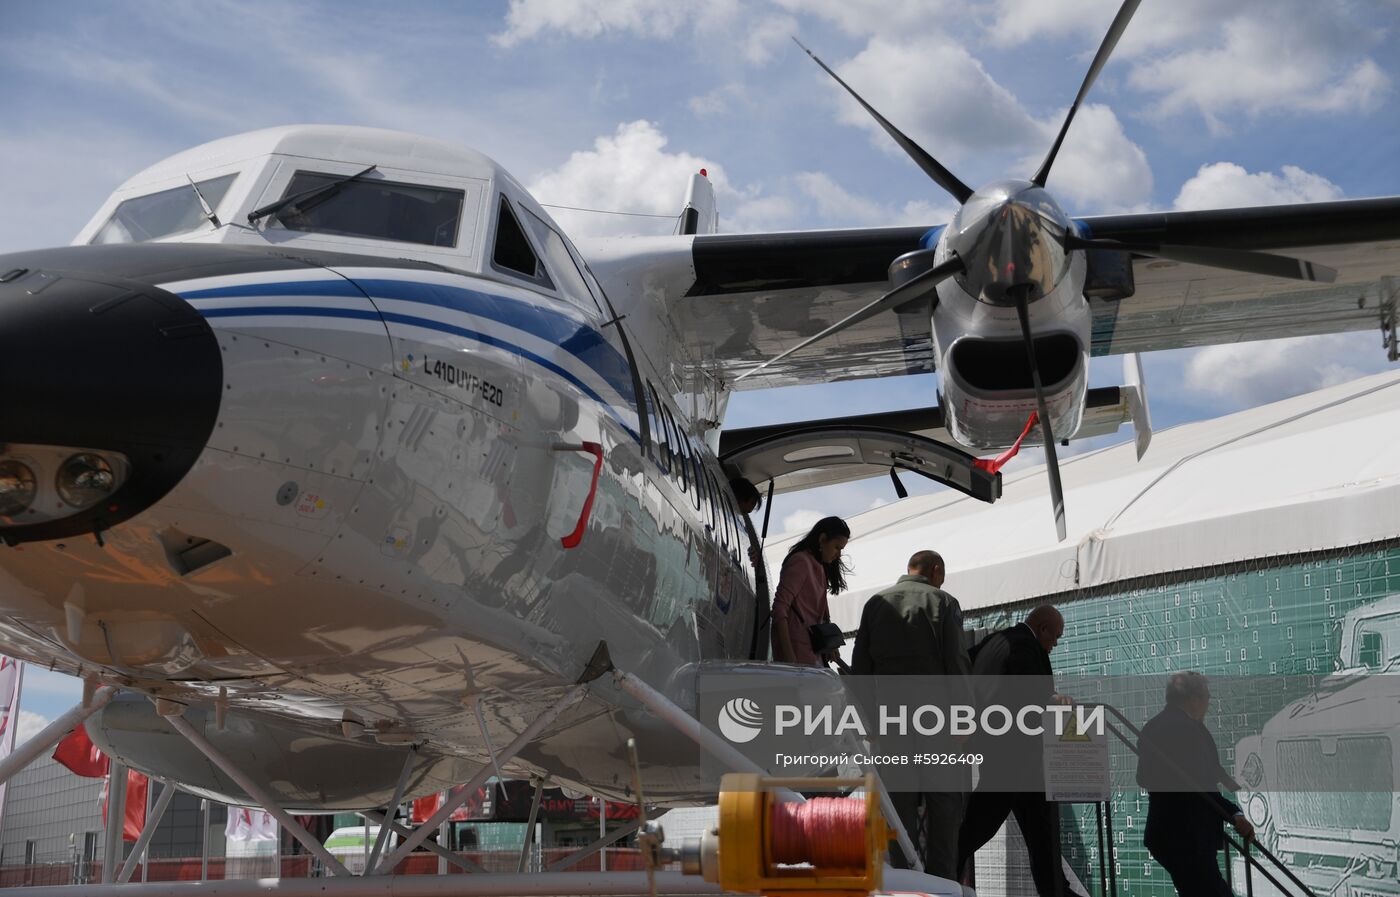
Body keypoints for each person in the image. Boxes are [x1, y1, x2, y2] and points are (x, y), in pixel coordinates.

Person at [851, 549, 971, 879]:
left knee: (897, 807)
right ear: (935, 570)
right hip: (938, 722)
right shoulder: (944, 603)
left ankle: (903, 882)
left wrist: (868, 722)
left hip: (891, 721)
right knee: (944, 804)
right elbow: (956, 663)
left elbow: (861, 669)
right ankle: (942, 883)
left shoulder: (875, 604)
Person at [958, 605, 1077, 897]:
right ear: (1042, 628)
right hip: (1014, 755)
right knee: (982, 822)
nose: (1056, 644)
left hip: (1000, 749)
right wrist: (1051, 698)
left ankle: (1056, 889)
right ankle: (943, 869)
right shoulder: (1023, 646)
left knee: (1040, 828)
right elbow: (1025, 691)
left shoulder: (993, 642)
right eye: (1056, 636)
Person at [1137, 672, 1253, 897]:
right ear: (1194, 699)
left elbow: (1141, 778)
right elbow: (1202, 786)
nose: (1208, 704)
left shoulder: (1152, 727)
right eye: (1207, 698)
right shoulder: (1191, 731)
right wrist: (1235, 813)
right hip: (1190, 836)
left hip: (1165, 834)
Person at [771, 516, 848, 666]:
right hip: (798, 653)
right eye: (837, 547)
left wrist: (830, 643)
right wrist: (789, 656)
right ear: (822, 539)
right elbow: (780, 608)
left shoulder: (817, 565)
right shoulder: (801, 561)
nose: (838, 554)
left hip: (810, 652)